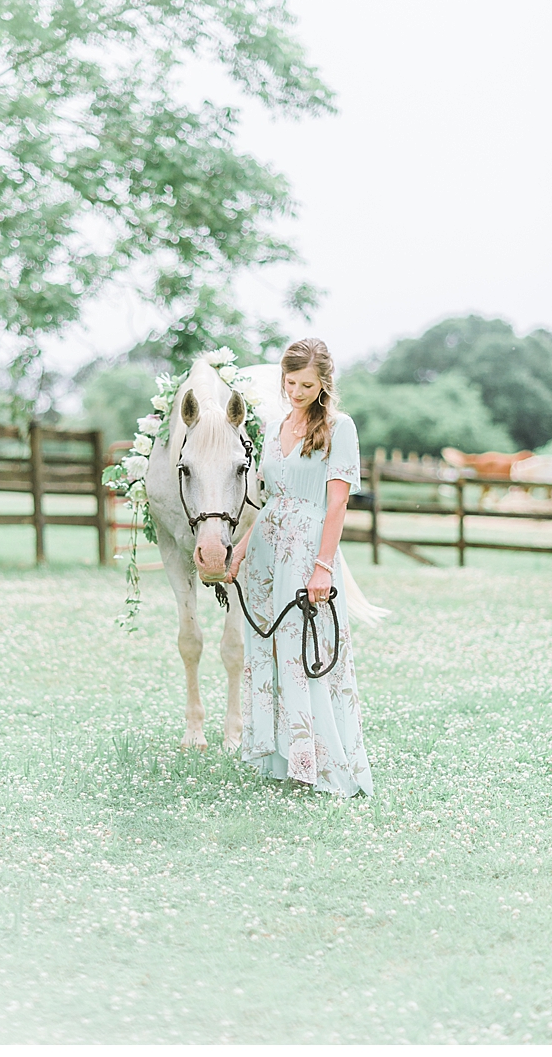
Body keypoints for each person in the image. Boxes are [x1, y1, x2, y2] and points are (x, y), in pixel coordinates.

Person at [226, 338, 375, 797]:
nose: (296, 392)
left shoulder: (339, 428)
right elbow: (270, 501)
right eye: (290, 383)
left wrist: (323, 567)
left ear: (324, 383)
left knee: (304, 650)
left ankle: (321, 762)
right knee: (268, 649)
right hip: (266, 552)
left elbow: (337, 505)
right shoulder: (274, 428)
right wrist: (241, 550)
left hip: (307, 550)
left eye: (306, 385)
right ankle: (282, 758)